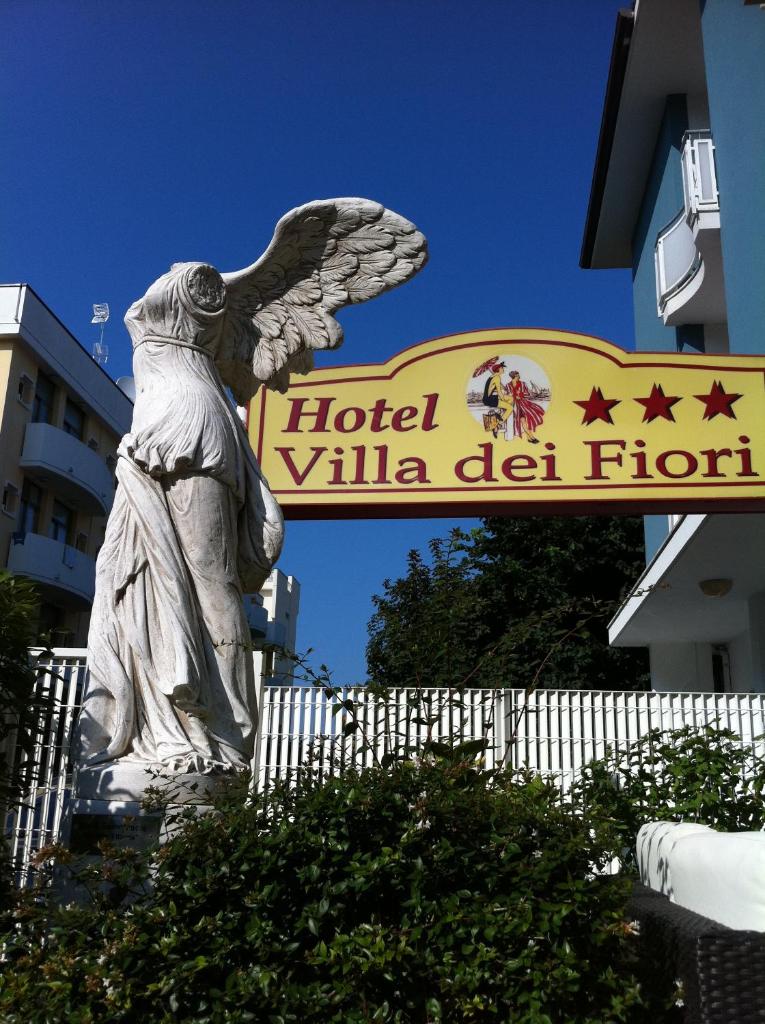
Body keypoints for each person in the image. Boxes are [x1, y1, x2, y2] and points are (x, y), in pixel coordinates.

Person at [76, 263, 284, 774]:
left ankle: (224, 729)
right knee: (122, 576)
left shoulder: (201, 284)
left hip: (193, 428)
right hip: (149, 426)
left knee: (211, 582)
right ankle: (152, 724)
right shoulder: (167, 298)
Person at [508, 369, 544, 443]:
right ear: (514, 376)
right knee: (523, 421)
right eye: (517, 375)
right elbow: (507, 396)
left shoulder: (523, 384)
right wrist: (514, 396)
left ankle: (530, 438)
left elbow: (528, 394)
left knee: (526, 421)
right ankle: (531, 437)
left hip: (524, 405)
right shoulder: (508, 385)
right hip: (514, 406)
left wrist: (520, 394)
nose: (519, 376)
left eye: (518, 375)